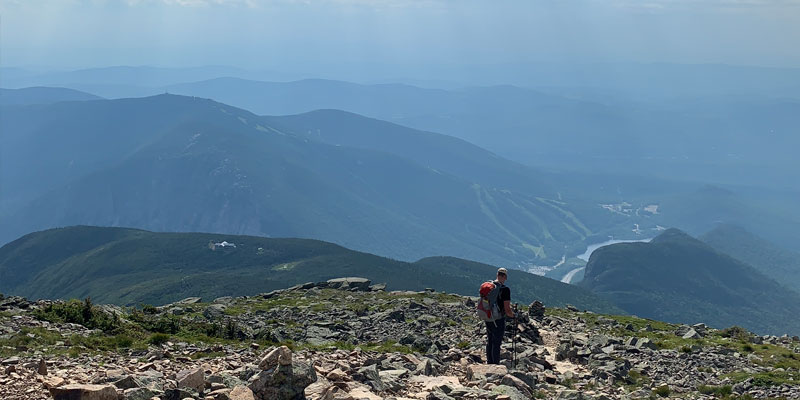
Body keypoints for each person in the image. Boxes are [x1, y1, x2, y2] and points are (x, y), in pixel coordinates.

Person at [486, 267, 514, 364]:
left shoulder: (490, 286)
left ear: (497, 274)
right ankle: (495, 364)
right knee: (496, 342)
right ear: (505, 276)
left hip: (488, 317)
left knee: (490, 340)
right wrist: (513, 316)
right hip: (498, 318)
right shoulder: (505, 289)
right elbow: (507, 308)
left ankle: (489, 361)